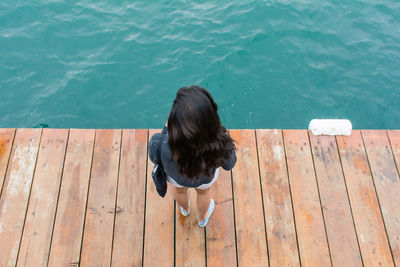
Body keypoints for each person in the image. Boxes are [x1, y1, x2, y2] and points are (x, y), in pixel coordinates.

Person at [149, 85, 237, 227]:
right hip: (205, 178)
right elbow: (230, 164)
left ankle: (185, 209)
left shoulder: (159, 143)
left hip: (176, 177)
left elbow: (155, 157)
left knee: (179, 190)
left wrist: (166, 129)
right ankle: (202, 219)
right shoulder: (220, 144)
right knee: (203, 193)